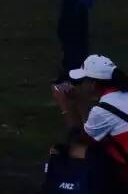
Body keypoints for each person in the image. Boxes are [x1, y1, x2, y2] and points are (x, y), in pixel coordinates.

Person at [48, 54, 128, 191]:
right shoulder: (118, 98)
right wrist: (80, 101)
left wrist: (64, 106)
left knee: (73, 151)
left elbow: (79, 140)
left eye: (81, 82)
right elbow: (92, 130)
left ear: (93, 84)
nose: (78, 86)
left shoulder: (103, 111)